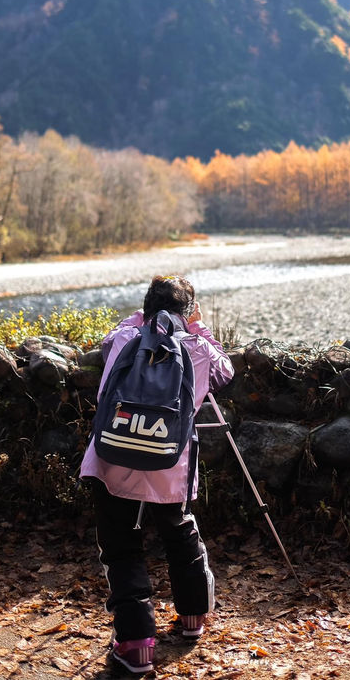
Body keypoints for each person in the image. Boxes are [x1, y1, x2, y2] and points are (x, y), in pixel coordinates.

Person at [80, 275, 234, 674]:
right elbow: (225, 372)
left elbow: (106, 342)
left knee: (122, 548)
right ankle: (192, 618)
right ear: (189, 311)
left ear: (146, 308)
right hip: (169, 462)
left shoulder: (123, 338)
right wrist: (196, 326)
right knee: (179, 533)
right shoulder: (199, 349)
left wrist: (145, 317)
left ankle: (135, 647)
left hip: (114, 458)